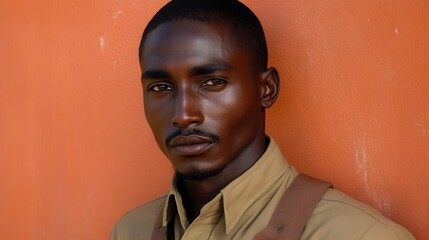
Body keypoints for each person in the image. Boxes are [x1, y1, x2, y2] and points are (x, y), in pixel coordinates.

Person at [110, 0, 415, 239]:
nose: (184, 114)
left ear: (266, 89)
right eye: (161, 88)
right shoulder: (129, 231)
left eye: (213, 82)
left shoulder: (360, 235)